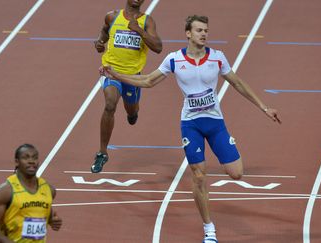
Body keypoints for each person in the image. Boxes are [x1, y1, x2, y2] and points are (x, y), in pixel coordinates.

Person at [101, 15, 281, 243]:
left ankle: (224, 153)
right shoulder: (174, 60)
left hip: (215, 123)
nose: (204, 34)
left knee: (237, 173)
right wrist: (116, 75)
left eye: (206, 30)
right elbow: (147, 81)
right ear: (188, 33)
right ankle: (209, 229)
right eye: (199, 30)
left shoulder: (217, 58)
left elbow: (237, 83)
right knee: (198, 175)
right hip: (191, 125)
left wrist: (264, 107)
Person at [91, 0, 163, 173]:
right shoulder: (112, 16)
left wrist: (139, 30)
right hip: (111, 71)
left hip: (132, 76)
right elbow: (104, 31)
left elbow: (158, 47)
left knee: (131, 111)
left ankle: (133, 113)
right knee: (109, 105)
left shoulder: (147, 21)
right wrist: (100, 42)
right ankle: (102, 153)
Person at [0, 144, 62, 242]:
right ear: (17, 162)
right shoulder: (6, 190)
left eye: (35, 158)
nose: (31, 161)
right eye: (26, 157)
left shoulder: (49, 190)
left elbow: (43, 210)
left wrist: (52, 220)